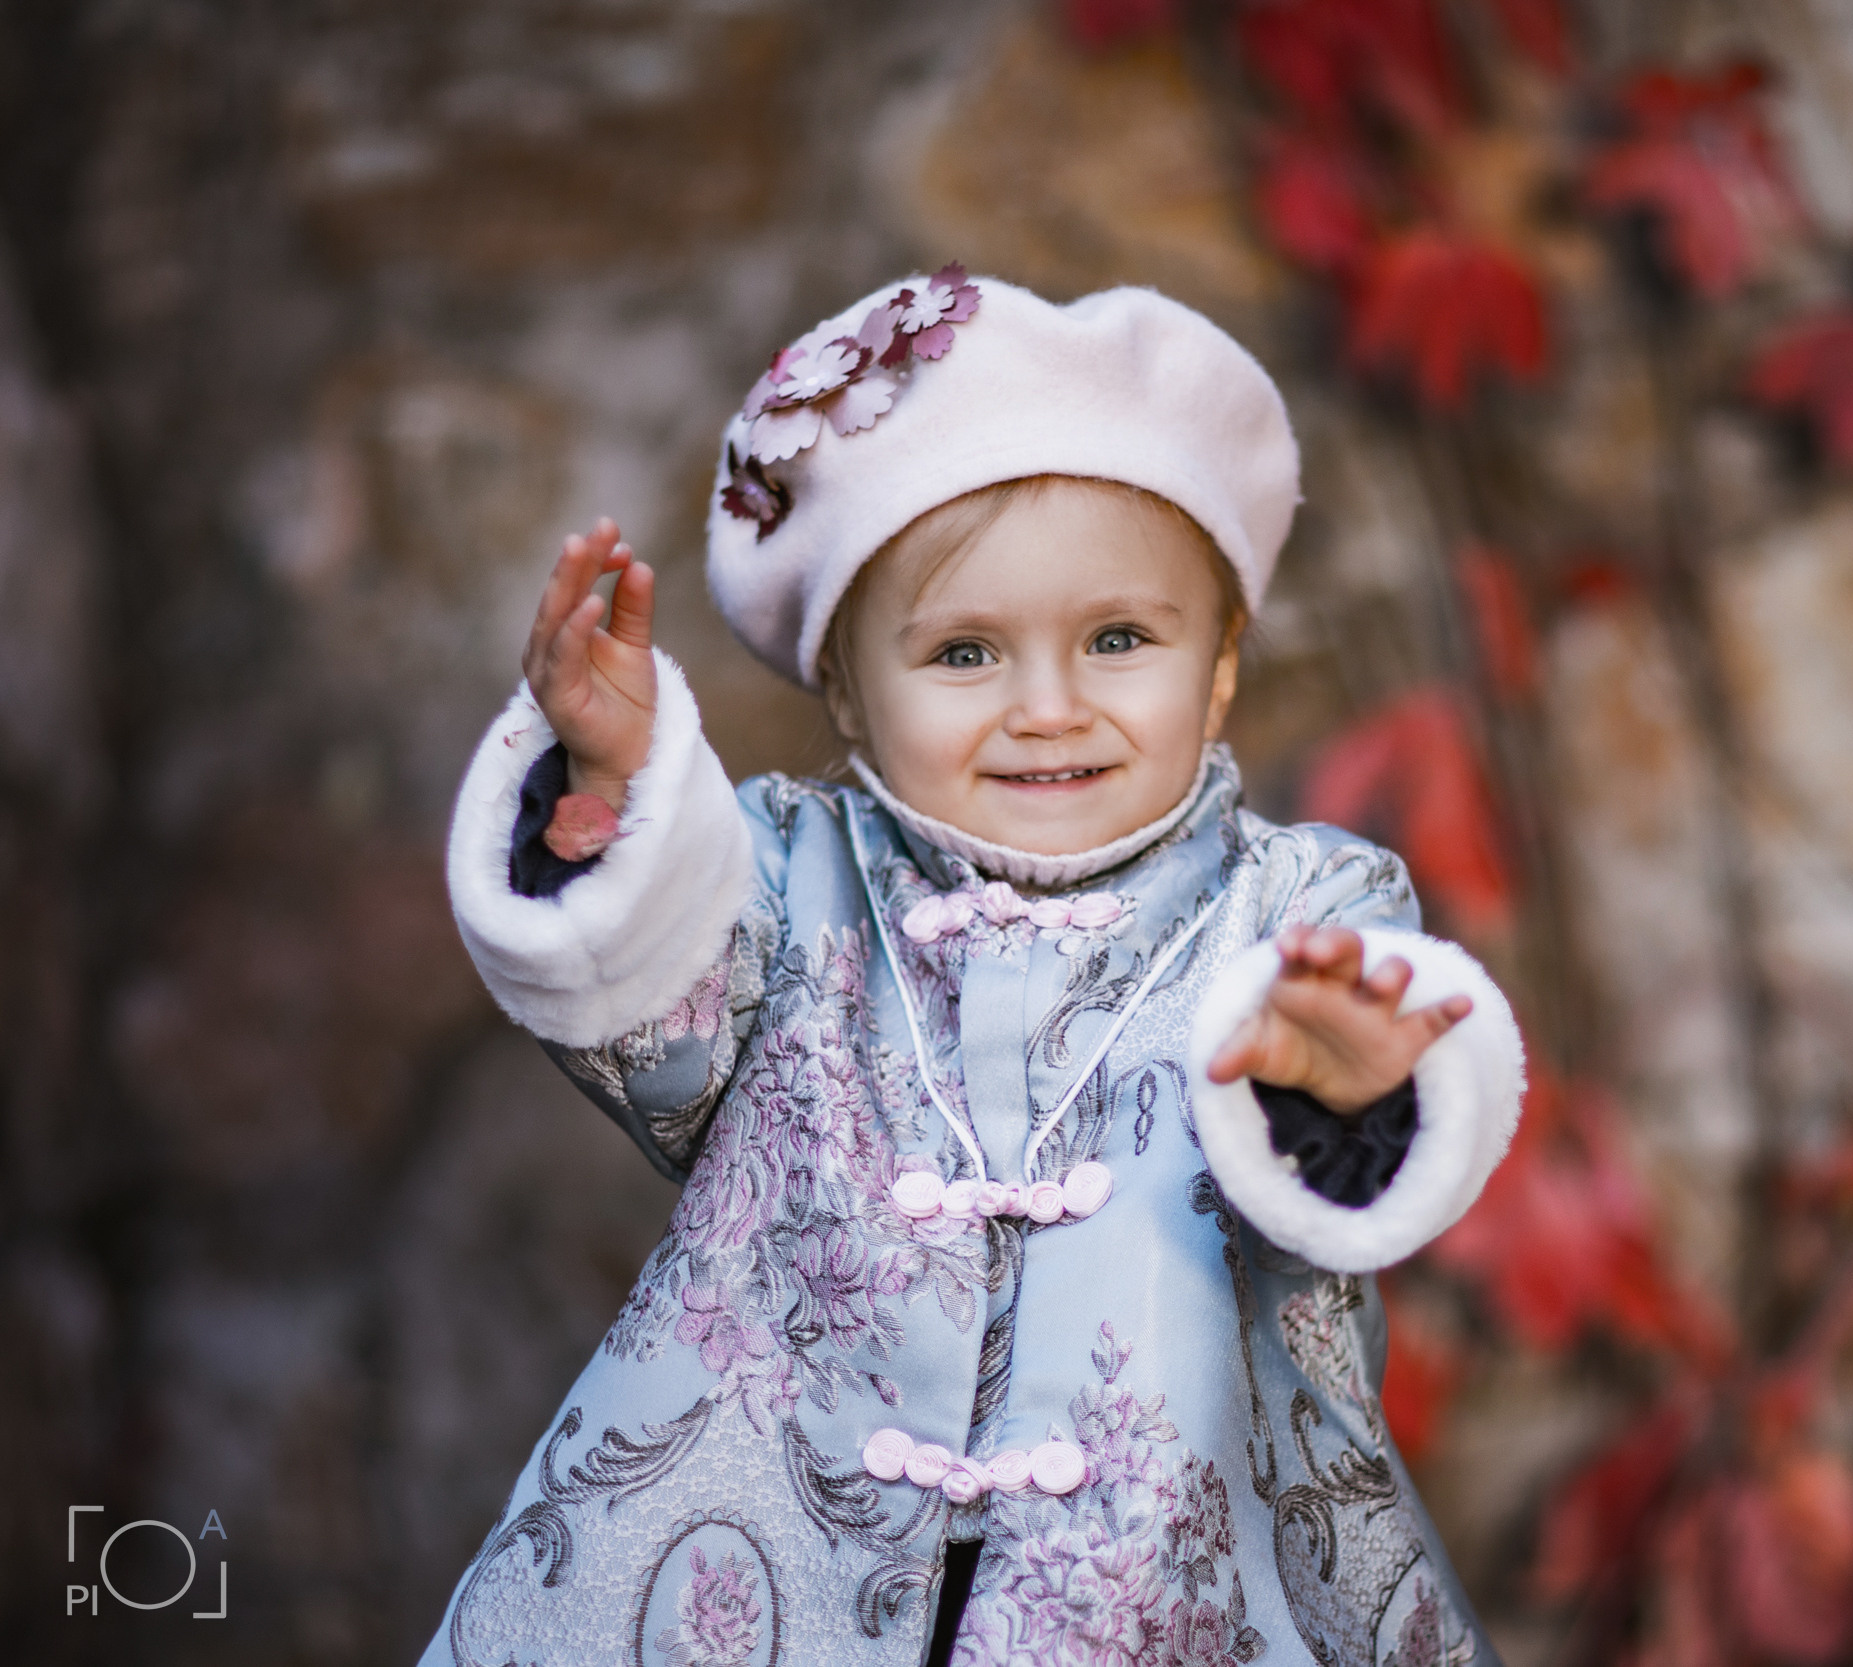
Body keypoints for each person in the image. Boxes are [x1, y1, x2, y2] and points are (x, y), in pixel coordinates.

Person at [421, 270, 1524, 1667]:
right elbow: (658, 1033)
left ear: (1225, 664)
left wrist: (1342, 1081)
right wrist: (613, 795)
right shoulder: (780, 878)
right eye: (963, 652)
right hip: (771, 1561)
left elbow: (1359, 1155)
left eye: (1119, 640)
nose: (1049, 708)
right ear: (846, 691)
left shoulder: (1297, 904)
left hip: (1162, 1576)